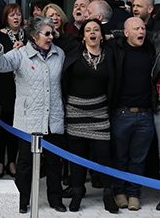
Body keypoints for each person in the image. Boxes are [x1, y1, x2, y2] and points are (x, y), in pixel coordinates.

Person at [0, 16, 66, 214]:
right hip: (28, 119)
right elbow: (0, 65)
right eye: (47, 33)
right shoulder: (21, 54)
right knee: (25, 164)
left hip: (53, 118)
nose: (51, 37)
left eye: (52, 33)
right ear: (34, 35)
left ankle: (55, 199)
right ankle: (22, 201)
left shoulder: (60, 54)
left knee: (54, 163)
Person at [61, 19, 118, 213]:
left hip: (100, 112)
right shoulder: (74, 52)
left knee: (104, 155)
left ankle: (108, 194)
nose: (92, 33)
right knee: (77, 157)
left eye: (96, 30)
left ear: (102, 35)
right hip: (75, 112)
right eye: (88, 30)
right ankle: (77, 193)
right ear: (83, 35)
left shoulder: (111, 54)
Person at [111, 17, 156, 211]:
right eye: (136, 28)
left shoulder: (151, 50)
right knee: (120, 156)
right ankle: (119, 191)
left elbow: (155, 35)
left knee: (139, 159)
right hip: (122, 113)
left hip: (146, 114)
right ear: (126, 32)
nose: (141, 31)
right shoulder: (117, 50)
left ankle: (134, 193)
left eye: (143, 28)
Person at [0, 4, 26, 178]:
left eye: (18, 14)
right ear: (6, 18)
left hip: (21, 85)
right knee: (1, 124)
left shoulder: (28, 35)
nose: (16, 18)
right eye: (12, 15)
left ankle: (12, 160)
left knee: (15, 124)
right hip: (3, 84)